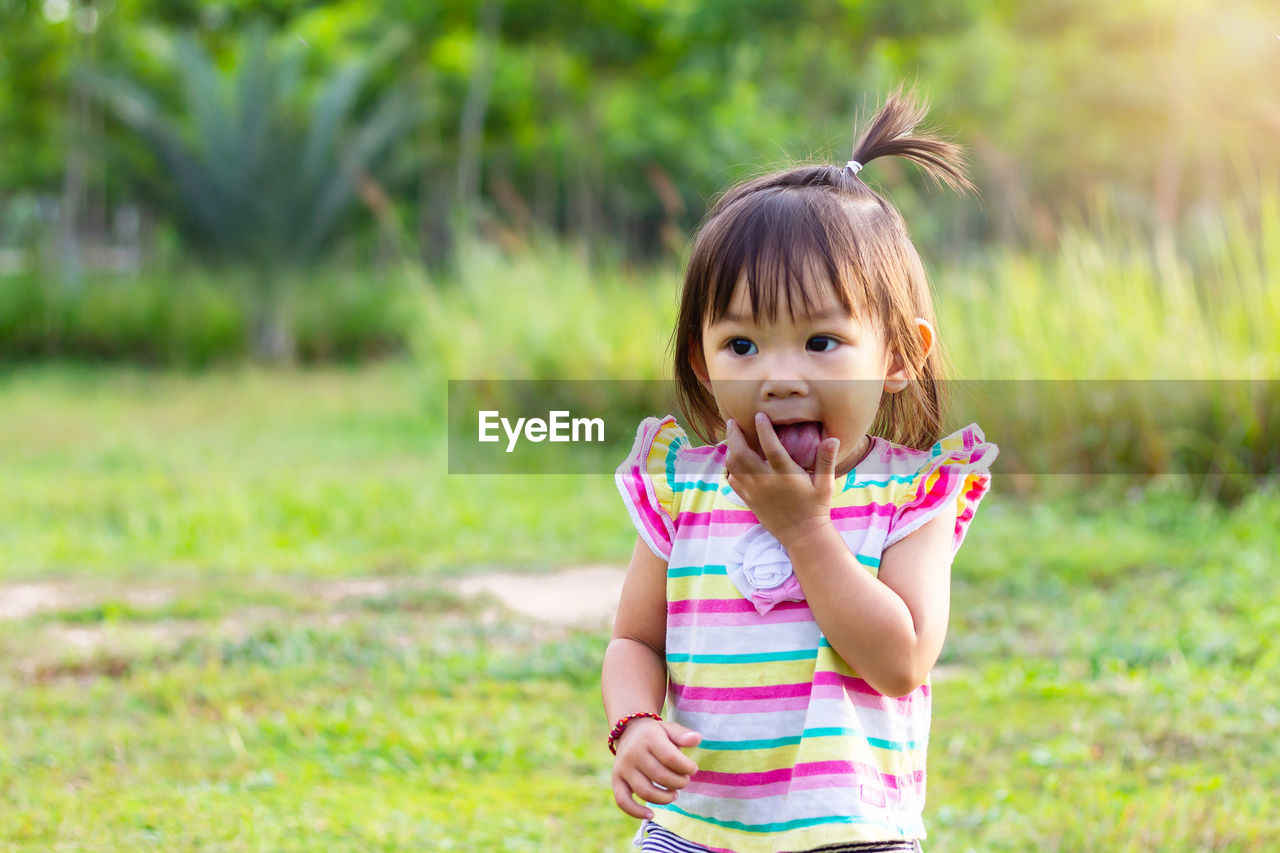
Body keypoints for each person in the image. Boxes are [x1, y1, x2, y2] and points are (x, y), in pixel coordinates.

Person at [601, 85, 1000, 853]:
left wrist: (805, 530)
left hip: (850, 835)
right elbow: (634, 640)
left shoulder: (910, 497)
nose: (779, 376)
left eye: (821, 342)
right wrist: (634, 722)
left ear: (900, 355)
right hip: (691, 828)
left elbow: (902, 659)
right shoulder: (684, 489)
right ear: (702, 360)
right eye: (743, 346)